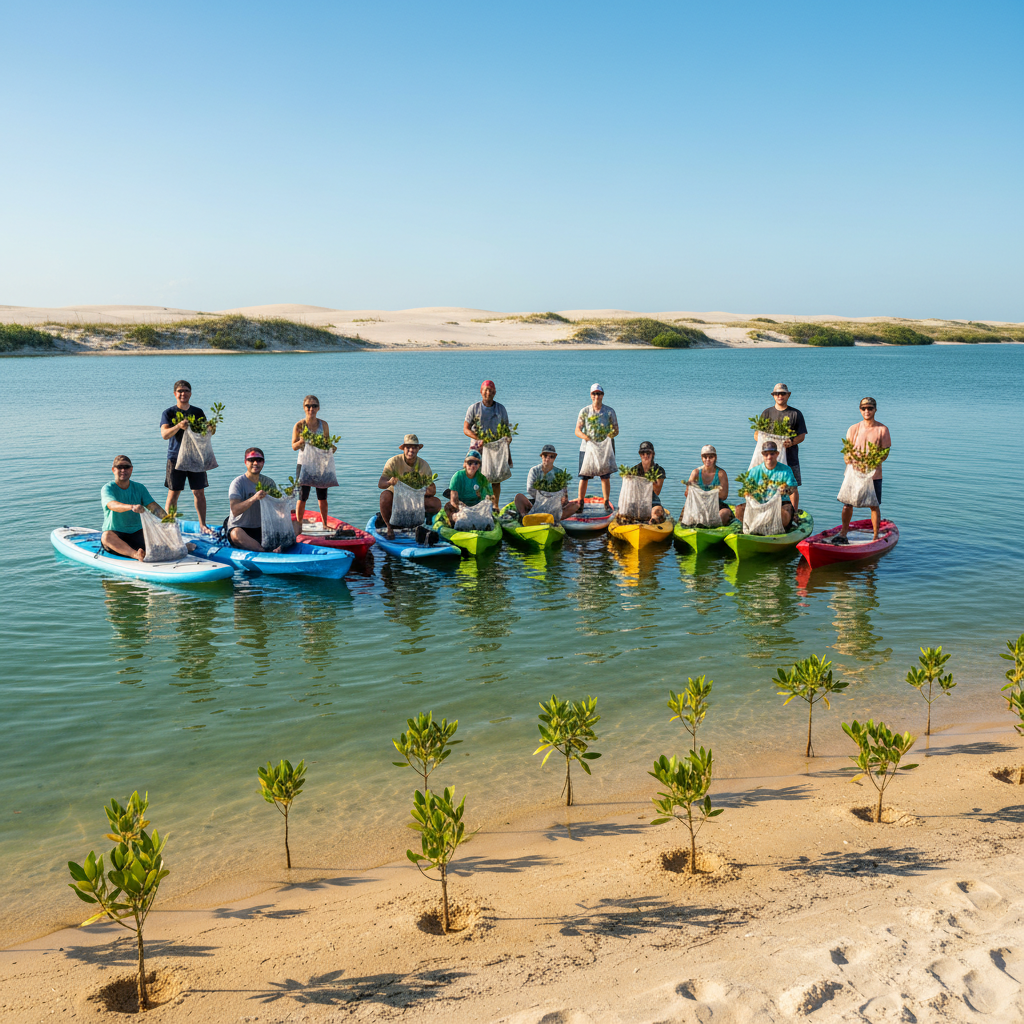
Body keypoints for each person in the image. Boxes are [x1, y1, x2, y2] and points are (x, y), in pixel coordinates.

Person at [159, 379, 214, 532]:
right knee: (173, 493)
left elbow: (205, 434)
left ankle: (203, 525)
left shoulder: (198, 412)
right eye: (180, 391)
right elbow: (164, 434)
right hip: (175, 457)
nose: (183, 393)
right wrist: (178, 426)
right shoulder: (168, 413)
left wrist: (211, 429)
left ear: (190, 393)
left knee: (199, 493)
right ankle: (170, 525)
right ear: (175, 394)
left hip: (196, 457)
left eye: (186, 390)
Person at [838, 396, 891, 541]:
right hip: (853, 474)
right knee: (847, 504)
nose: (867, 411)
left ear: (875, 409)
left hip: (874, 475)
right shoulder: (853, 429)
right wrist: (847, 458)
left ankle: (875, 536)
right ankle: (843, 532)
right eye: (864, 408)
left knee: (874, 505)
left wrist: (871, 463)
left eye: (870, 408)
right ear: (860, 410)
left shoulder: (882, 429)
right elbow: (847, 452)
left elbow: (885, 453)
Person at [226, 448, 298, 552]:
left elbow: (278, 509)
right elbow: (235, 510)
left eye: (259, 460)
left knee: (296, 525)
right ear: (245, 462)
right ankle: (263, 551)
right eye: (251, 460)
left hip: (264, 527)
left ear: (263, 462)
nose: (255, 463)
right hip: (242, 527)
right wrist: (254, 498)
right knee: (235, 534)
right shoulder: (238, 483)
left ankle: (279, 549)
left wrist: (287, 501)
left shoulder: (268, 482)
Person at [377, 434, 442, 541]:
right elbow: (381, 484)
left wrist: (430, 488)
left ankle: (423, 522)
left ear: (418, 449)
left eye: (414, 447)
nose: (411, 450)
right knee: (384, 496)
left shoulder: (424, 465)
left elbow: (432, 492)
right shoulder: (394, 461)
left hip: (415, 500)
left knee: (436, 503)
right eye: (408, 447)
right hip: (396, 499)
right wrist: (389, 482)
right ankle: (389, 527)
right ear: (403, 448)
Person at [100, 455, 163, 560]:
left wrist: (168, 519)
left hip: (137, 532)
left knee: (157, 533)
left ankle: (180, 547)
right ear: (113, 470)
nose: (123, 470)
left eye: (126, 467)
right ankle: (135, 554)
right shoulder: (108, 488)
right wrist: (131, 507)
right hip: (116, 534)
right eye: (119, 467)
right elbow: (112, 505)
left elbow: (153, 507)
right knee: (106, 537)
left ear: (131, 469)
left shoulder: (139, 488)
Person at [463, 379, 512, 509]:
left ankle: (495, 506)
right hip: (477, 447)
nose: (488, 392)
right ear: (481, 392)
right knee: (473, 475)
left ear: (495, 392)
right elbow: (466, 429)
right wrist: (479, 438)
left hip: (496, 447)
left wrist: (508, 442)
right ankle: (475, 504)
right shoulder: (474, 408)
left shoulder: (501, 409)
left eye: (490, 390)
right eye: (485, 390)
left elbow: (506, 431)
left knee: (496, 478)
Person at [291, 394, 334, 531]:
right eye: (308, 406)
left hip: (320, 464)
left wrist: (331, 447)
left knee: (323, 497)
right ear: (304, 408)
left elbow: (327, 444)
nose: (311, 408)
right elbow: (293, 446)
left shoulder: (324, 425)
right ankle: (298, 525)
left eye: (314, 406)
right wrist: (302, 441)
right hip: (304, 464)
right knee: (302, 497)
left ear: (318, 408)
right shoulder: (299, 425)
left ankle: (325, 523)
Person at [735, 441, 800, 529]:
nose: (769, 457)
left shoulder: (786, 470)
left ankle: (777, 526)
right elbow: (745, 491)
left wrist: (786, 489)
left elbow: (793, 490)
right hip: (760, 503)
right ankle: (756, 525)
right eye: (766, 454)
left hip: (781, 503)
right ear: (762, 454)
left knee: (783, 515)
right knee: (739, 510)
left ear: (777, 454)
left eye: (772, 454)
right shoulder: (754, 471)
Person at [576, 383, 619, 509]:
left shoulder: (609, 411)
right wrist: (587, 438)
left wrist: (609, 435)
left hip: (605, 449)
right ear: (591, 395)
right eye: (594, 394)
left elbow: (616, 430)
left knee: (605, 476)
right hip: (587, 448)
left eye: (599, 394)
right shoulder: (584, 411)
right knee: (584, 476)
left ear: (603, 395)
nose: (596, 396)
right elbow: (577, 430)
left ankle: (606, 502)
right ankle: (580, 502)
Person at [756, 383, 808, 485]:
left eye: (783, 393)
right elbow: (756, 434)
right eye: (777, 394)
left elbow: (801, 436)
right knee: (768, 485)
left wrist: (791, 442)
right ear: (773, 395)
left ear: (788, 395)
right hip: (769, 459)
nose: (780, 396)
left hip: (791, 457)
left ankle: (792, 502)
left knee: (792, 486)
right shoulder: (767, 413)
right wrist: (766, 443)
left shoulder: (796, 414)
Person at [513, 444, 582, 520]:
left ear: (554, 458)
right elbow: (530, 489)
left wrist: (562, 500)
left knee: (576, 505)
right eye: (545, 455)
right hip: (537, 502)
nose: (547, 459)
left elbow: (564, 492)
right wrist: (545, 498)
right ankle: (525, 517)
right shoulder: (534, 470)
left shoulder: (559, 472)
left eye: (551, 456)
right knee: (519, 497)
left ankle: (552, 519)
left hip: (554, 505)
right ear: (541, 456)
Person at [684, 445, 733, 525]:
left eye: (711, 457)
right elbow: (687, 493)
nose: (708, 460)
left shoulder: (721, 474)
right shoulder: (695, 473)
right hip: (699, 504)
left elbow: (724, 496)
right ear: (701, 458)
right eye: (705, 457)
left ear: (715, 457)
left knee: (724, 513)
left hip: (716, 504)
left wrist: (708, 492)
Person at [443, 451, 494, 522]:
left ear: (479, 465)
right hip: (460, 505)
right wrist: (463, 510)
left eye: (476, 463)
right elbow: (453, 501)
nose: (473, 466)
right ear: (465, 464)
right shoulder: (458, 476)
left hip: (477, 506)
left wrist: (488, 502)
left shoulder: (483, 478)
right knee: (457, 515)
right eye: (470, 463)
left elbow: (491, 496)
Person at [626, 442, 667, 524]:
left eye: (648, 453)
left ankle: (653, 522)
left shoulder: (659, 470)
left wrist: (650, 479)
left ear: (653, 454)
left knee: (656, 511)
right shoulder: (634, 470)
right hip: (637, 500)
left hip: (653, 501)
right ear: (640, 454)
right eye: (642, 453)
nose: (645, 455)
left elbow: (657, 491)